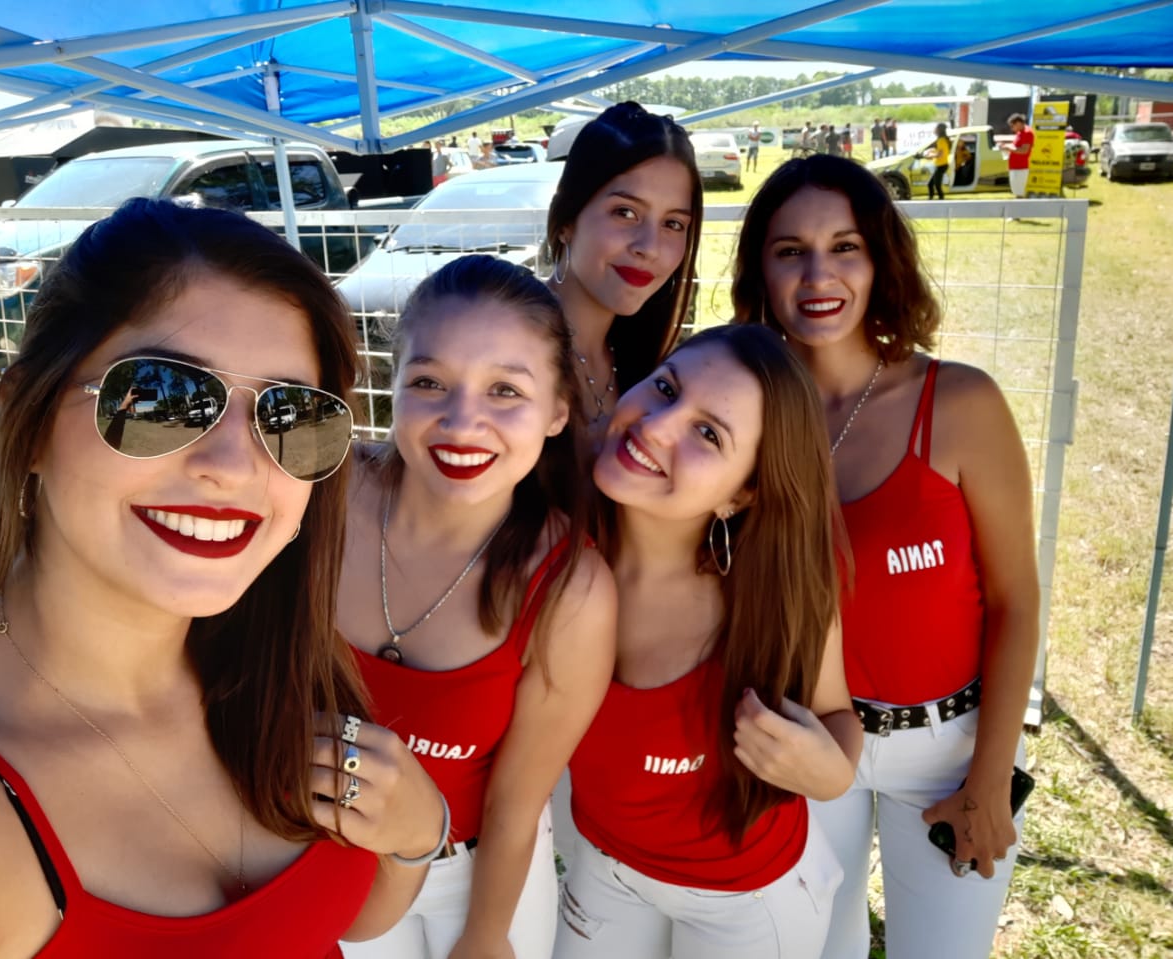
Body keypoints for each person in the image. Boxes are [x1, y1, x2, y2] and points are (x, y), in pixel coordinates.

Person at [0, 198, 448, 957]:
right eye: (161, 396)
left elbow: (340, 921)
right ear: (30, 415)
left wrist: (417, 834)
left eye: (289, 416)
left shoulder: (278, 668)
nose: (234, 466)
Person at [731, 154, 1039, 959]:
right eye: (791, 251)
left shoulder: (960, 402)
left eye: (846, 247)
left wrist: (990, 778)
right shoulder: (742, 412)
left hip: (947, 753)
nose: (818, 275)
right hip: (806, 737)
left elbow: (1016, 600)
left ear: (881, 261)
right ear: (761, 269)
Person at [338, 255, 617, 959]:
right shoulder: (323, 503)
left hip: (474, 876)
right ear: (393, 386)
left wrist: (486, 935)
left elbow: (516, 801)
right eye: (429, 382)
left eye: (505, 390)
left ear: (557, 411)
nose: (463, 422)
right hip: (319, 860)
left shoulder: (570, 588)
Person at [553, 323, 859, 959]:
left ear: (741, 493)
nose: (657, 427)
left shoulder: (777, 593)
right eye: (666, 388)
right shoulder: (551, 538)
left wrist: (833, 775)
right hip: (603, 867)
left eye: (709, 434)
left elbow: (836, 714)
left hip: (746, 899)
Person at [545, 101, 702, 444]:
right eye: (625, 212)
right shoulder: (506, 342)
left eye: (673, 224)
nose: (650, 247)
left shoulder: (649, 366)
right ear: (567, 221)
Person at [1002, 113, 1034, 198]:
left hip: (1021, 167)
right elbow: (1016, 146)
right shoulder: (1020, 132)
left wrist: (1009, 148)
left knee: (1019, 192)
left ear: (1018, 123)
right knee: (1016, 191)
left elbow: (1024, 150)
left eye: (1012, 126)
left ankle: (1020, 205)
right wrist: (1007, 146)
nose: (1011, 128)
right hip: (1015, 166)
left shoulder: (1027, 133)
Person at [927, 122, 951, 200]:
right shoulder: (942, 139)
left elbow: (940, 154)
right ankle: (932, 199)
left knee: (936, 185)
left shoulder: (941, 140)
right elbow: (941, 151)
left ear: (939, 130)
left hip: (942, 165)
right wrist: (932, 151)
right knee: (931, 184)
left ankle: (940, 198)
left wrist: (931, 155)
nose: (934, 130)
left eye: (936, 128)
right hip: (941, 165)